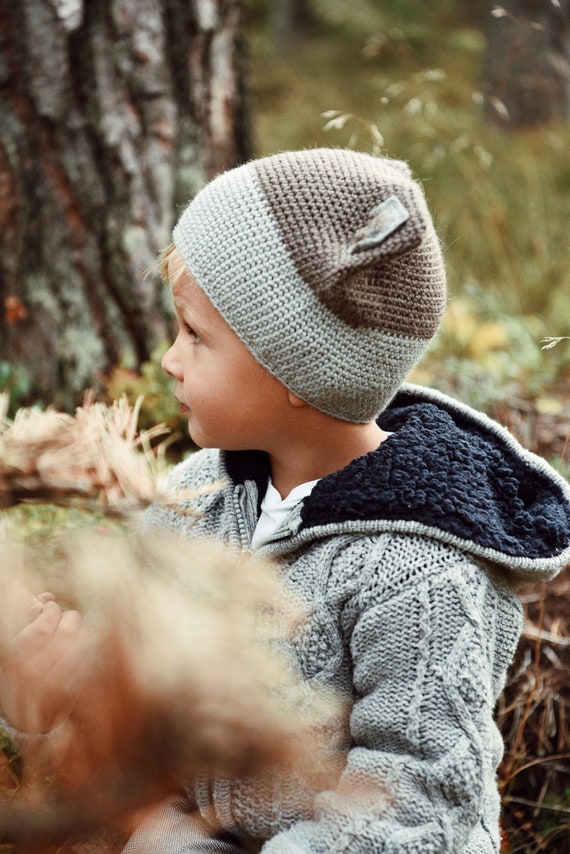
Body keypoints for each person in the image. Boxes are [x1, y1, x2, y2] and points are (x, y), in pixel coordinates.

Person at [2, 148, 570, 853]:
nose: (169, 360)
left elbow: (421, 815)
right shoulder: (195, 500)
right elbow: (137, 713)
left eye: (195, 335)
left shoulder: (421, 577)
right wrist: (46, 702)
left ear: (294, 371)